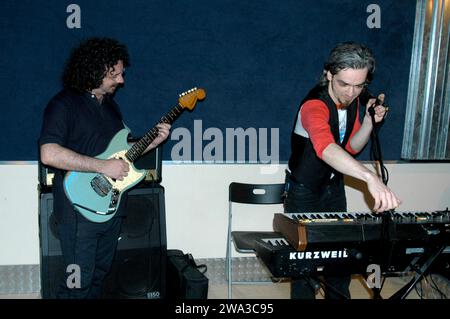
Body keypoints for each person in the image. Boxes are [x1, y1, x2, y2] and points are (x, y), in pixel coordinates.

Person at [38, 37, 171, 298]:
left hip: (110, 208)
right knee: (77, 282)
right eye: (115, 74)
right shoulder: (63, 104)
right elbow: (49, 153)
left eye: (121, 73)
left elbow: (123, 156)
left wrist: (153, 141)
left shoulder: (110, 106)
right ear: (94, 70)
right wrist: (102, 167)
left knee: (100, 274)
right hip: (79, 211)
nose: (121, 80)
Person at [284, 42, 401, 299]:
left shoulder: (355, 100)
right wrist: (370, 178)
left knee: (340, 261)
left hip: (334, 188)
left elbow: (350, 147)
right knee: (304, 266)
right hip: (304, 190)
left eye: (359, 85)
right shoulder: (313, 106)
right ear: (328, 74)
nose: (351, 93)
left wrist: (369, 121)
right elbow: (325, 148)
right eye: (344, 84)